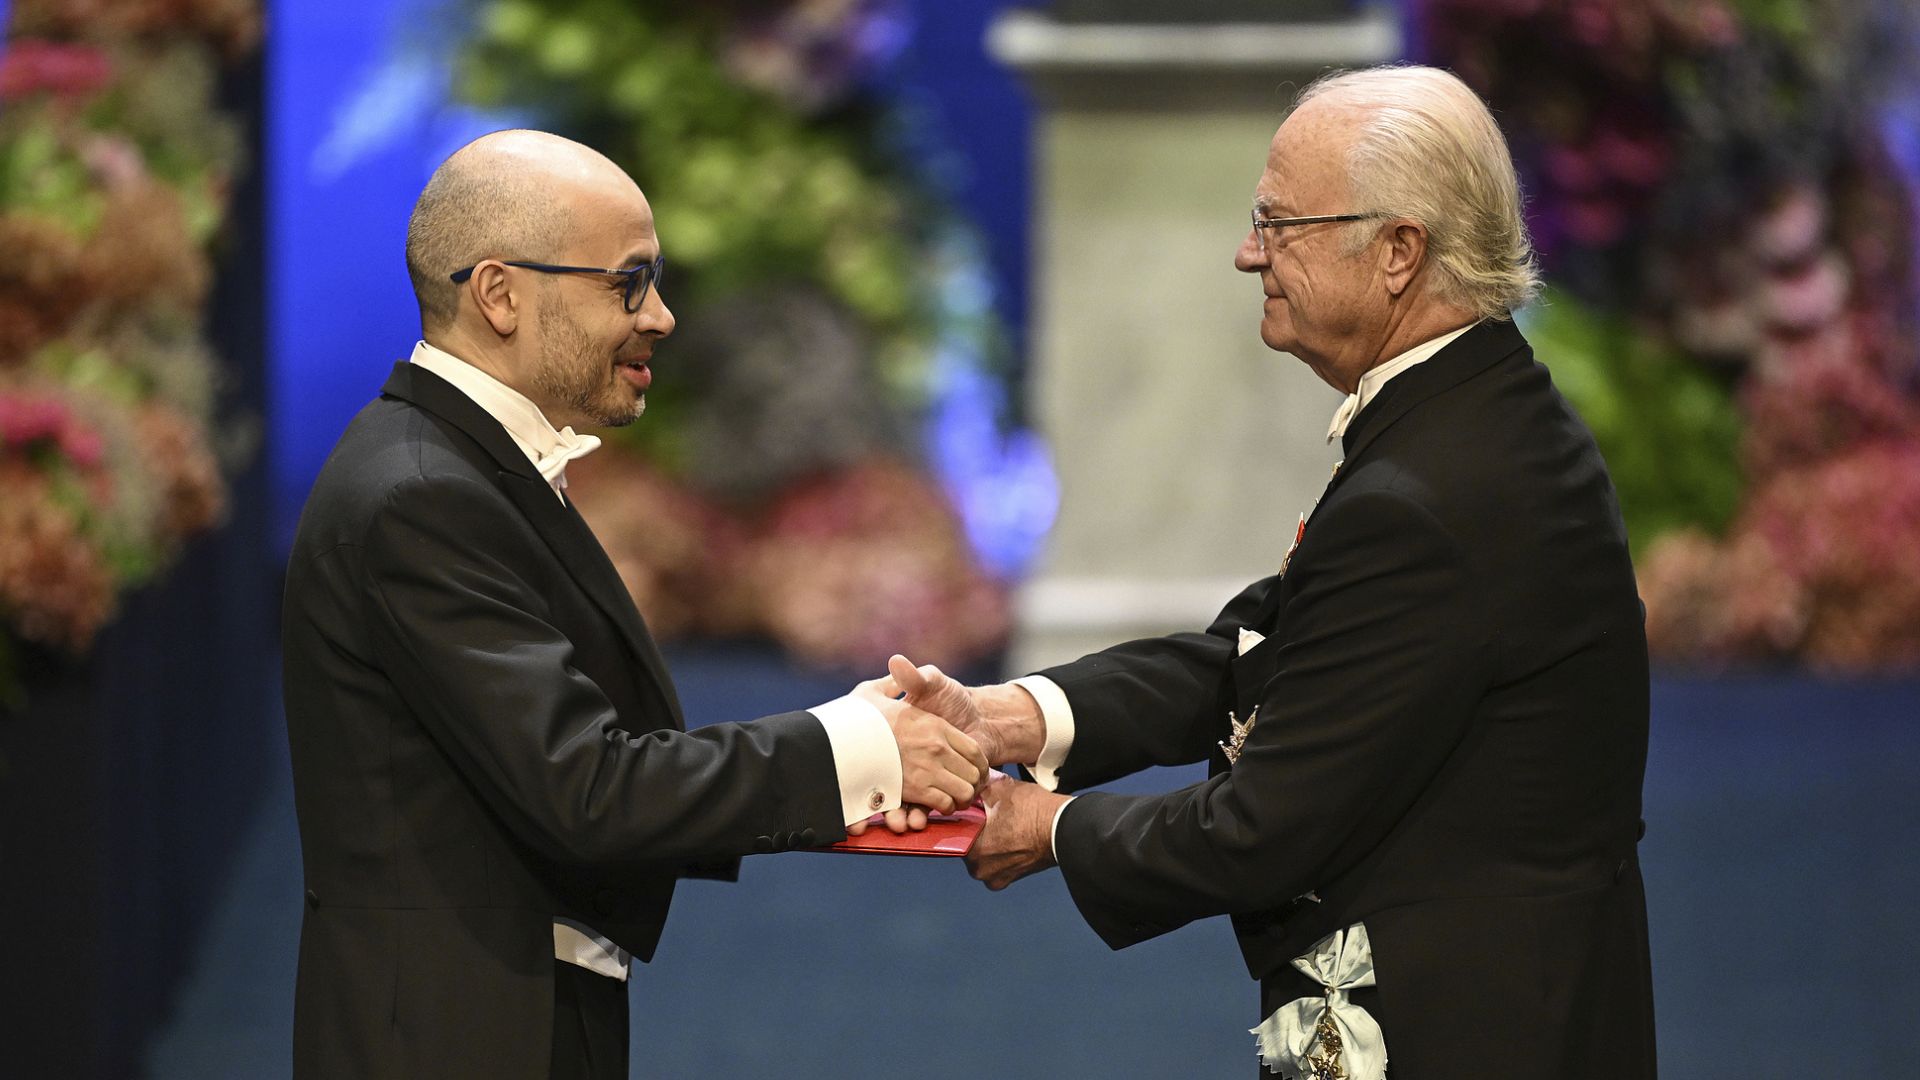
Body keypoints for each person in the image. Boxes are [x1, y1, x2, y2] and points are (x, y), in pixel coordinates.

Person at [897, 66, 1656, 1079]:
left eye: (1280, 225)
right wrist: (1015, 719)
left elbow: (1263, 830)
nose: (1249, 253)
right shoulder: (1479, 414)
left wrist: (1051, 829)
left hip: (1456, 1027)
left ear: (1398, 252)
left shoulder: (1429, 493)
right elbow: (1262, 650)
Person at [281, 129, 987, 1080]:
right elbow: (584, 789)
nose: (659, 316)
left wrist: (860, 760)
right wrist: (856, 750)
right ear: (500, 294)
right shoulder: (421, 495)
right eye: (628, 283)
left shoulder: (458, 468)